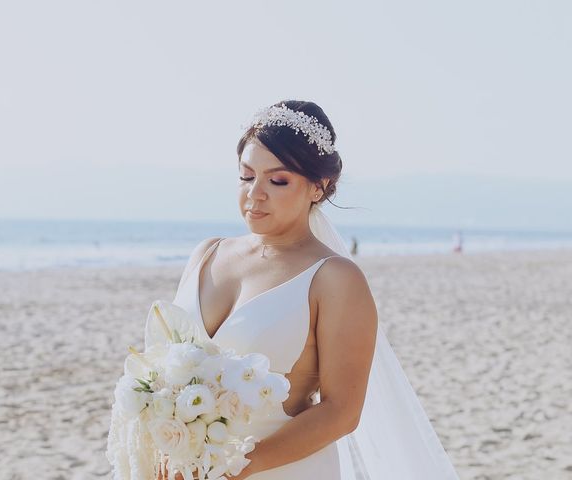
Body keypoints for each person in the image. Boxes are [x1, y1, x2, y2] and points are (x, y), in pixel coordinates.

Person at [169, 101, 460, 479]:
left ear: (318, 188)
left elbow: (342, 411)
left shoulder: (335, 279)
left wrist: (231, 468)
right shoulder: (206, 254)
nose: (255, 193)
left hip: (278, 469)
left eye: (277, 181)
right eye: (245, 176)